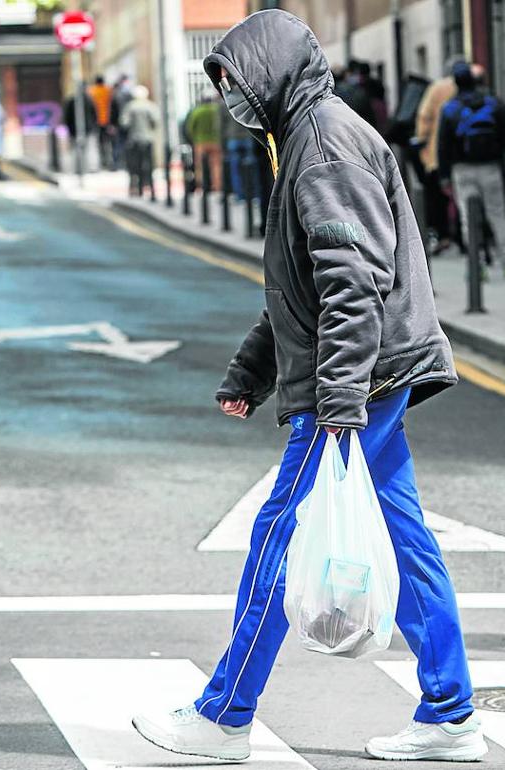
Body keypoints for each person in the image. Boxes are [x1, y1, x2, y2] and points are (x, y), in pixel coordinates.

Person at [129, 10, 484, 763]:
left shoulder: (322, 147)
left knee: (278, 533)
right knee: (402, 534)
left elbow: (353, 287)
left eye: (237, 83)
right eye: (222, 86)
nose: (232, 99)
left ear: (273, 72)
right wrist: (252, 372)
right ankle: (450, 712)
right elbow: (302, 289)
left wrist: (338, 405)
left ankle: (224, 716)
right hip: (366, 375)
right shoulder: (305, 137)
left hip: (357, 379)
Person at [438, 60, 505, 279]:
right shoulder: (494, 103)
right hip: (491, 167)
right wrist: (497, 154)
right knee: (498, 215)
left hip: (462, 170)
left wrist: (444, 177)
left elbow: (443, 146)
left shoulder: (450, 109)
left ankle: (478, 266)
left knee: (469, 219)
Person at [413, 62, 459, 254]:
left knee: (438, 197)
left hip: (436, 152)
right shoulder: (469, 85)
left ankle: (444, 235)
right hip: (462, 152)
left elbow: (425, 116)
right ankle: (466, 239)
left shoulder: (437, 88)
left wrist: (421, 139)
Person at [119, 84, 161, 200]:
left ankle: (135, 189)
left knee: (134, 166)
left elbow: (124, 123)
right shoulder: (150, 106)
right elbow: (156, 121)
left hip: (133, 140)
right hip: (148, 139)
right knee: (148, 165)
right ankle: (150, 189)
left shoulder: (130, 107)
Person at [184, 91, 222, 192]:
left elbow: (190, 128)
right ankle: (216, 186)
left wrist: (194, 138)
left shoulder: (197, 111)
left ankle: (201, 187)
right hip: (215, 141)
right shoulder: (216, 110)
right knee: (216, 166)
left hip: (200, 142)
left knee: (199, 166)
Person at [87, 74, 114, 170]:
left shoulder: (92, 91)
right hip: (107, 121)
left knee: (98, 143)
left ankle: (102, 163)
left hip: (96, 121)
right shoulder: (108, 90)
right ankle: (109, 162)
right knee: (108, 143)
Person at [109, 75, 133, 170]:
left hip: (120, 123)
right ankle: (124, 164)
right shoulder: (129, 94)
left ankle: (118, 164)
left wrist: (112, 124)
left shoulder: (116, 94)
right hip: (126, 124)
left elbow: (113, 111)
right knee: (122, 144)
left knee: (119, 144)